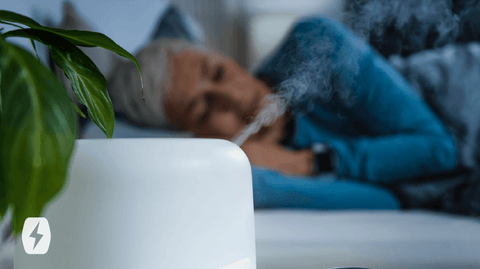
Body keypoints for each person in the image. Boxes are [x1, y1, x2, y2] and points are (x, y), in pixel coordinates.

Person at [107, 16, 458, 210]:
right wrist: (264, 176)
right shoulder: (254, 176)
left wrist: (306, 164)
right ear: (198, 136)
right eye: (203, 108)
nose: (233, 96)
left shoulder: (316, 46)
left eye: (217, 73)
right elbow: (391, 201)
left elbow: (439, 150)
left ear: (221, 54)